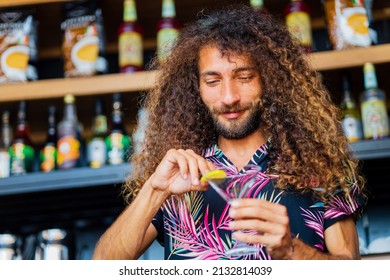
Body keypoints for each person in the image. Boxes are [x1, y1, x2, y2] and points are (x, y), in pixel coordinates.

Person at [93, 5, 366, 260]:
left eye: (244, 77)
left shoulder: (318, 166)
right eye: (212, 81)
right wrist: (154, 189)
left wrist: (292, 250)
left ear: (268, 79)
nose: (228, 97)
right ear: (196, 88)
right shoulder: (178, 177)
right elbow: (101, 266)